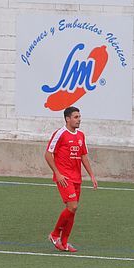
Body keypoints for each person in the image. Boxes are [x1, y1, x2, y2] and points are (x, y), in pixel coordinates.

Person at [44, 106, 98, 253]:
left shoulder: (81, 135)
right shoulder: (60, 134)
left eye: (79, 117)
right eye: (76, 117)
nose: (79, 120)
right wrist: (57, 173)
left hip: (76, 178)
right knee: (72, 206)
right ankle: (55, 234)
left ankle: (64, 242)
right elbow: (48, 154)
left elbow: (83, 156)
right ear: (67, 119)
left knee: (73, 210)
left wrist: (92, 175)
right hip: (64, 177)